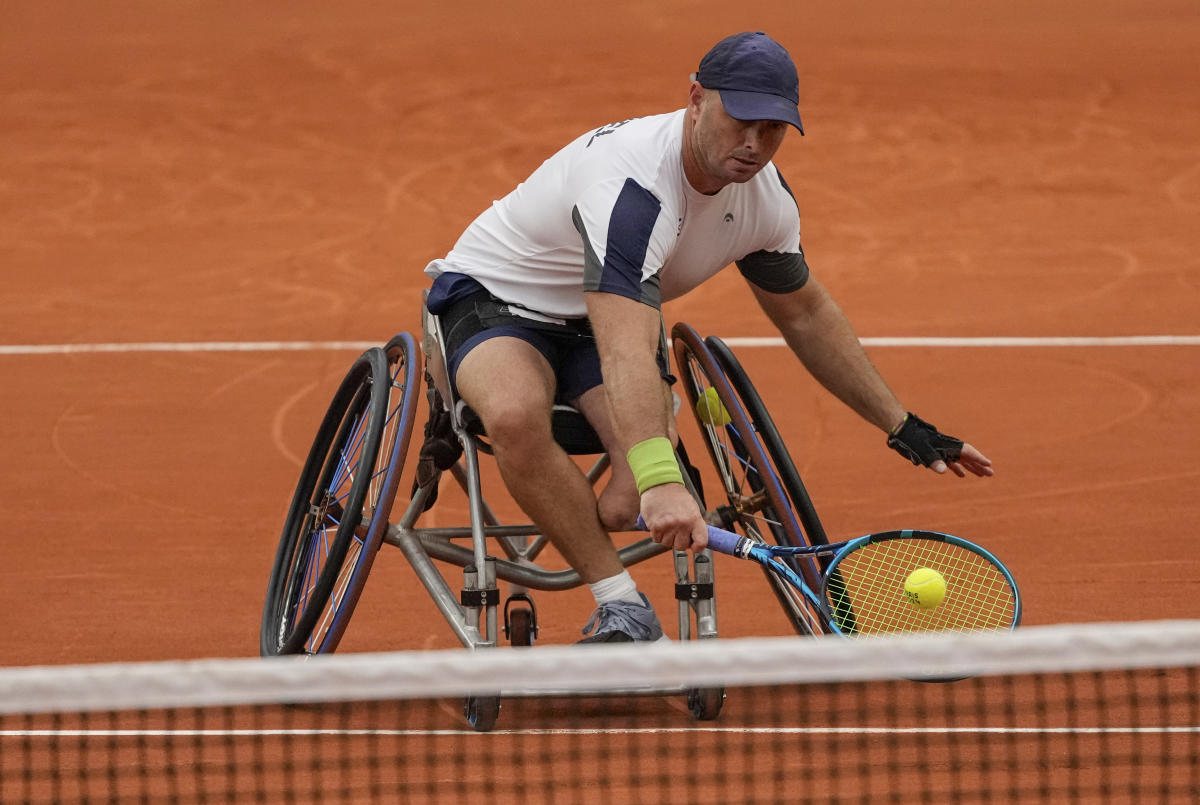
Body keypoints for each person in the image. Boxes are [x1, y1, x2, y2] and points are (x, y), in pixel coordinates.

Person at [422, 31, 993, 643]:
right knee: (514, 416)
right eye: (740, 119)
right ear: (696, 99)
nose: (753, 144)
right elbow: (624, 349)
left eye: (773, 129)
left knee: (622, 501)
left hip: (602, 322)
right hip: (497, 302)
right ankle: (621, 603)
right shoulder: (634, 189)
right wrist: (662, 478)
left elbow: (802, 314)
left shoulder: (764, 203)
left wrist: (899, 423)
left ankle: (588, 523)